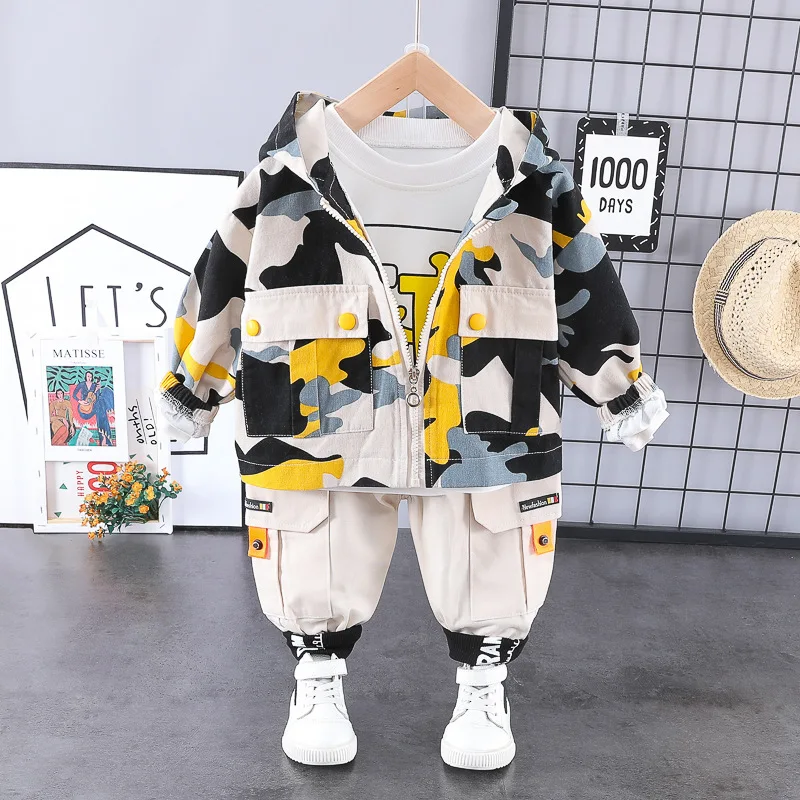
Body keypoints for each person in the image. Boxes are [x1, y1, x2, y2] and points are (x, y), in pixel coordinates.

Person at [157, 90, 668, 770]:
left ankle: (485, 679)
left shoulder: (530, 178)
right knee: (316, 538)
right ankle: (316, 672)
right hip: (324, 425)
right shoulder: (285, 176)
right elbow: (221, 280)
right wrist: (191, 385)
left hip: (483, 424)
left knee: (490, 538)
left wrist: (619, 387)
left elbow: (586, 287)